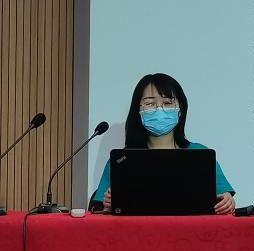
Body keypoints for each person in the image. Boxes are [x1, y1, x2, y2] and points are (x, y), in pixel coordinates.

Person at [93, 73, 235, 214]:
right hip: (139, 229)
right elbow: (99, 209)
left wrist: (227, 201)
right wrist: (108, 206)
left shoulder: (201, 154)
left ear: (180, 109)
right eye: (150, 104)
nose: (159, 109)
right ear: (138, 111)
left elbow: (223, 198)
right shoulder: (121, 159)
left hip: (191, 228)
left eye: (167, 103)